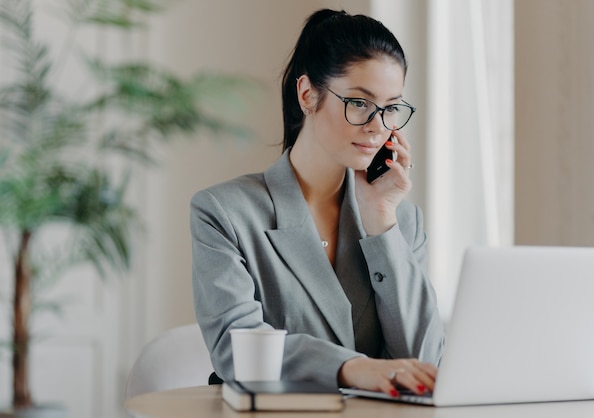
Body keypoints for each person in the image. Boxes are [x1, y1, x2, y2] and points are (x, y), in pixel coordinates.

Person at [190, 8, 445, 397]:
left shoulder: (401, 221)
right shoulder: (225, 212)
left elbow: (423, 362)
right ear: (308, 94)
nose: (379, 125)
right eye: (360, 103)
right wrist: (354, 369)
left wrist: (380, 219)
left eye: (392, 107)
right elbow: (236, 348)